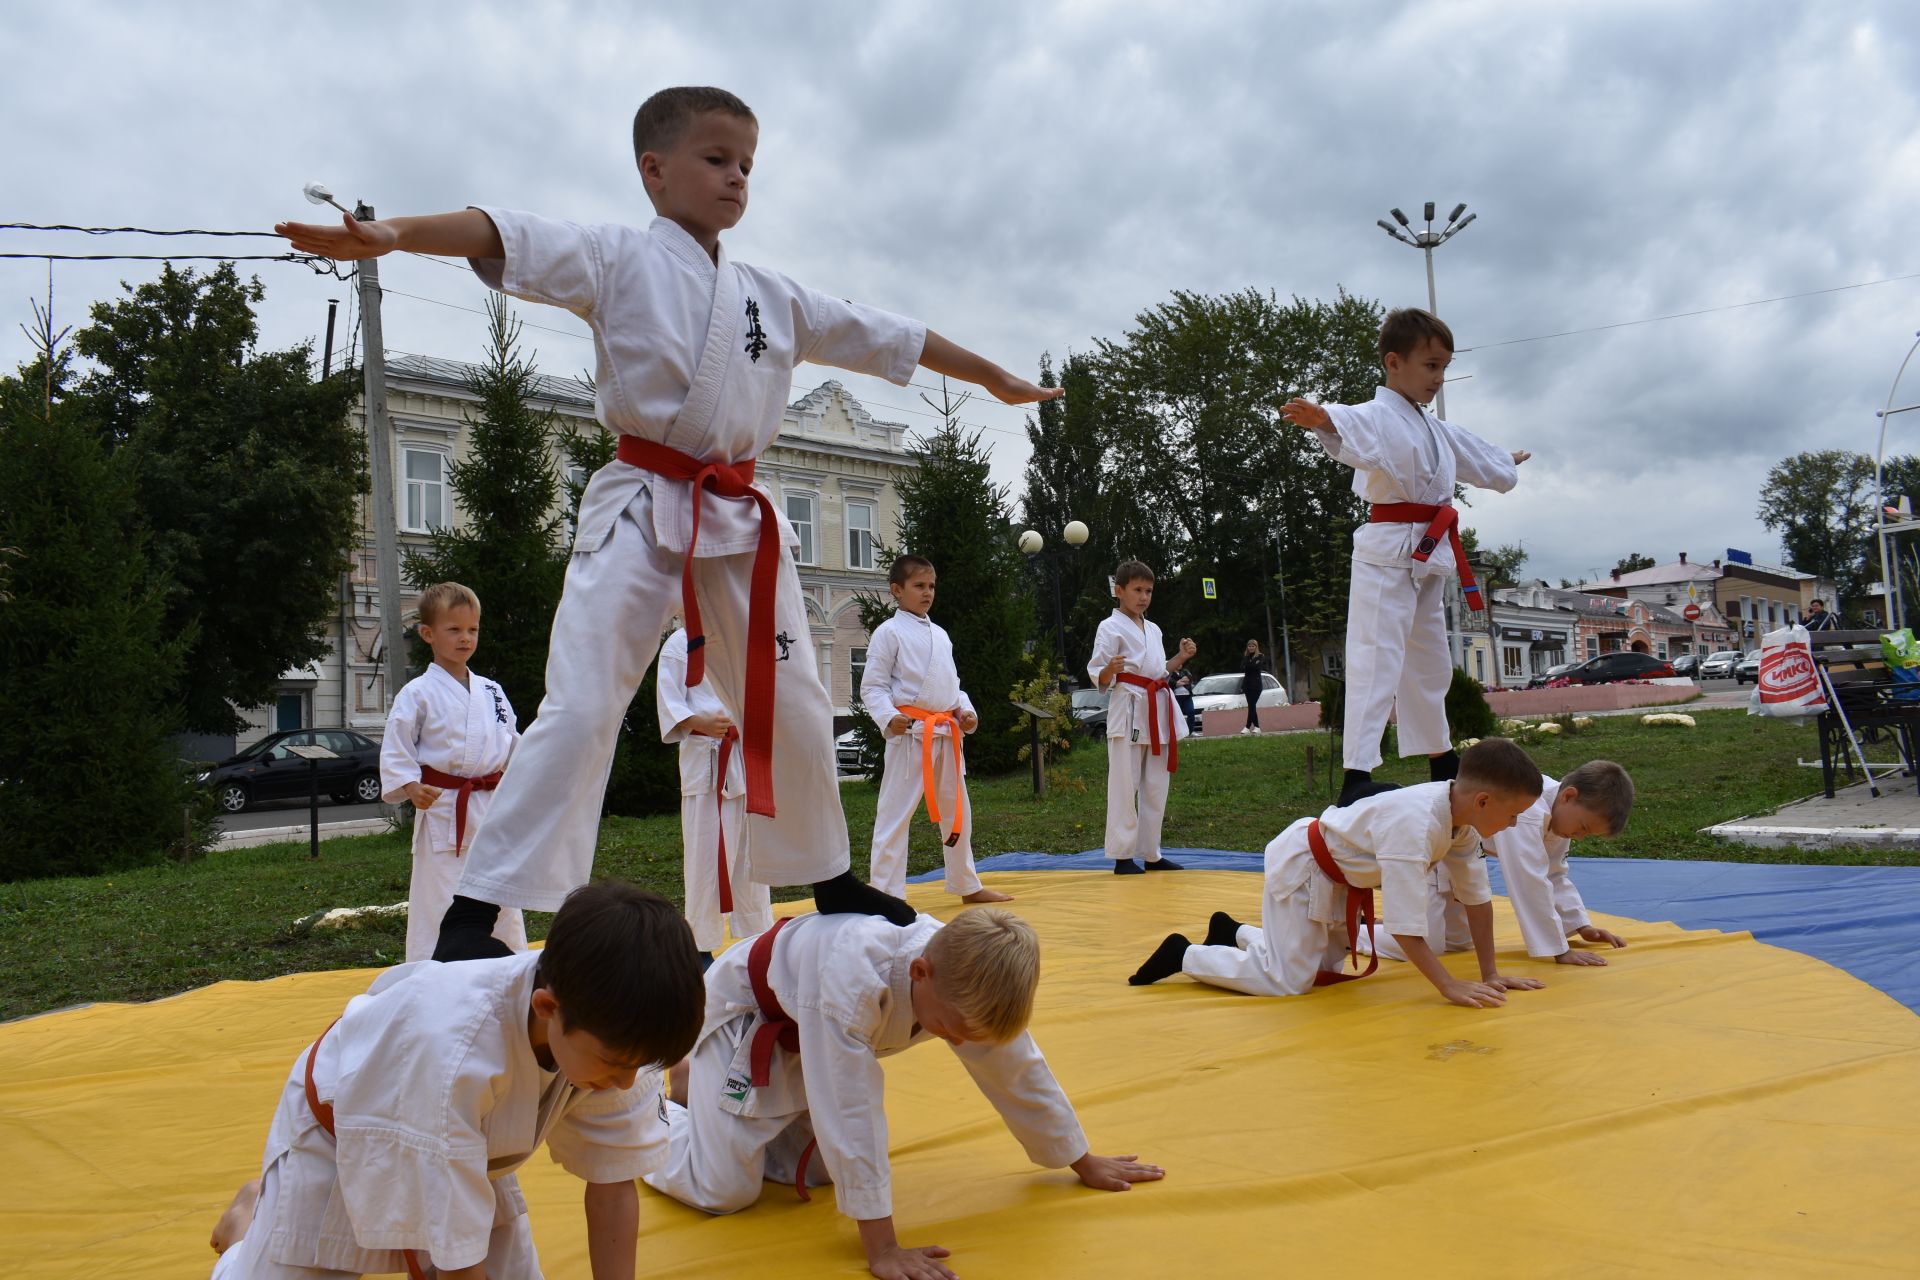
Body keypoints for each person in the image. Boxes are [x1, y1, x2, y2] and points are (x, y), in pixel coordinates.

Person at [278, 86, 1061, 960]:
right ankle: (475, 912)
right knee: (579, 706)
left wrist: (992, 374)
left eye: (747, 166)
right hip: (641, 505)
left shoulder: (772, 296)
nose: (736, 179)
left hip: (737, 520)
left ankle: (830, 875)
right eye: (716, 159)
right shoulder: (614, 258)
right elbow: (501, 231)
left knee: (797, 704)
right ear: (653, 171)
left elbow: (889, 336)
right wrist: (395, 235)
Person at [206, 881, 705, 1280]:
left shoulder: (618, 1026)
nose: (624, 1083)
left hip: (467, 1138)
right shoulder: (454, 1053)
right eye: (615, 1065)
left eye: (636, 1067)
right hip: (344, 1125)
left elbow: (613, 1183)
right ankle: (246, 1233)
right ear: (547, 1008)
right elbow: (456, 1263)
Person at [643, 907, 1165, 1280]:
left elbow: (1015, 1066)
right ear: (920, 972)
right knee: (724, 1190)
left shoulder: (963, 975)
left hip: (809, 1041)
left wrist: (1080, 1158)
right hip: (745, 1022)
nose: (957, 1041)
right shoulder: (852, 982)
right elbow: (849, 1109)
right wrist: (883, 1246)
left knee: (825, 1174)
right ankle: (656, 1110)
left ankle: (713, 1108)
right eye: (951, 1028)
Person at [1280, 308, 1530, 807]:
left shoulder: (1433, 428)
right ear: (1394, 363)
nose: (1439, 377)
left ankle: (1439, 755)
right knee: (1376, 659)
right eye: (1430, 365)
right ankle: (1357, 774)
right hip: (1387, 553)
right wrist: (1323, 418)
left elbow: (1474, 452)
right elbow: (1352, 423)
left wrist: (1504, 462)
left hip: (1428, 555)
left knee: (1430, 660)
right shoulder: (1378, 414)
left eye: (1444, 367)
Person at [1128, 738, 1548, 1008]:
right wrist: (1447, 985)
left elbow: (1477, 900)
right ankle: (1186, 954)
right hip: (1306, 865)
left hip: (1340, 879)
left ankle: (1236, 931)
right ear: (1483, 800)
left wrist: (1490, 973)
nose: (1513, 826)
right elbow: (1405, 927)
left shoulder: (1460, 823)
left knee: (1323, 968)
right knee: (1289, 980)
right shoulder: (1416, 825)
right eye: (1513, 815)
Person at [1358, 760, 1636, 966]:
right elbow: (1529, 883)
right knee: (1429, 943)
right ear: (1568, 796)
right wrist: (1559, 949)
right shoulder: (1529, 813)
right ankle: (1353, 933)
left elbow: (1554, 875)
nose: (1580, 836)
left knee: (1458, 942)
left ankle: (1375, 923)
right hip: (1438, 849)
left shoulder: (1562, 817)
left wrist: (1580, 924)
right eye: (1583, 827)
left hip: (1465, 855)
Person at [379, 582, 524, 962]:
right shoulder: (417, 693)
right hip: (446, 809)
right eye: (454, 630)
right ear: (427, 634)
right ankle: (433, 979)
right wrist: (410, 785)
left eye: (472, 630)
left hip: (491, 809)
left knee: (501, 897)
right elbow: (397, 746)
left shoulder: (491, 690)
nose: (465, 639)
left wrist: (535, 770)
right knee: (441, 900)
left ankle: (507, 972)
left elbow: (512, 745)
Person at [861, 555, 1011, 905]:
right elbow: (872, 687)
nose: (927, 592)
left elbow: (952, 687)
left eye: (931, 586)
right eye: (918, 586)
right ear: (897, 590)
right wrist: (887, 717)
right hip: (910, 735)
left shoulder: (941, 635)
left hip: (945, 732)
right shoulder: (889, 632)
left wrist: (965, 711)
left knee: (958, 813)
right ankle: (885, 892)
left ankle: (966, 884)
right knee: (895, 815)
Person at [658, 621, 774, 962]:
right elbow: (670, 700)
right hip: (706, 758)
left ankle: (755, 937)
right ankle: (701, 944)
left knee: (750, 855)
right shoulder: (680, 644)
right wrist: (699, 722)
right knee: (706, 853)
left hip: (742, 754)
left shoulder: (738, 635)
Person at [1088, 560, 1198, 874]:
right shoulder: (1108, 628)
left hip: (1157, 706)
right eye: (1137, 590)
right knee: (1125, 783)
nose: (1143, 596)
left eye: (1148, 591)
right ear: (1119, 591)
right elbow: (1099, 673)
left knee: (1156, 783)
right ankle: (1123, 856)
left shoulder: (1154, 629)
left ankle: (1151, 853)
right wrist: (1110, 669)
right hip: (1129, 708)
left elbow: (1159, 671)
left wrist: (1181, 657)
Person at [1240, 639, 1269, 736]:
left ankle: (1249, 727)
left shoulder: (1260, 656)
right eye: (1249, 646)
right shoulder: (1246, 657)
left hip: (1256, 685)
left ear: (1256, 647)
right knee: (1251, 706)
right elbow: (1242, 667)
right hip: (1247, 685)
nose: (1251, 648)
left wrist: (1249, 665)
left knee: (1252, 705)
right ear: (1247, 647)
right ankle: (1254, 727)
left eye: (1253, 646)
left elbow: (1256, 667)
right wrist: (1250, 664)